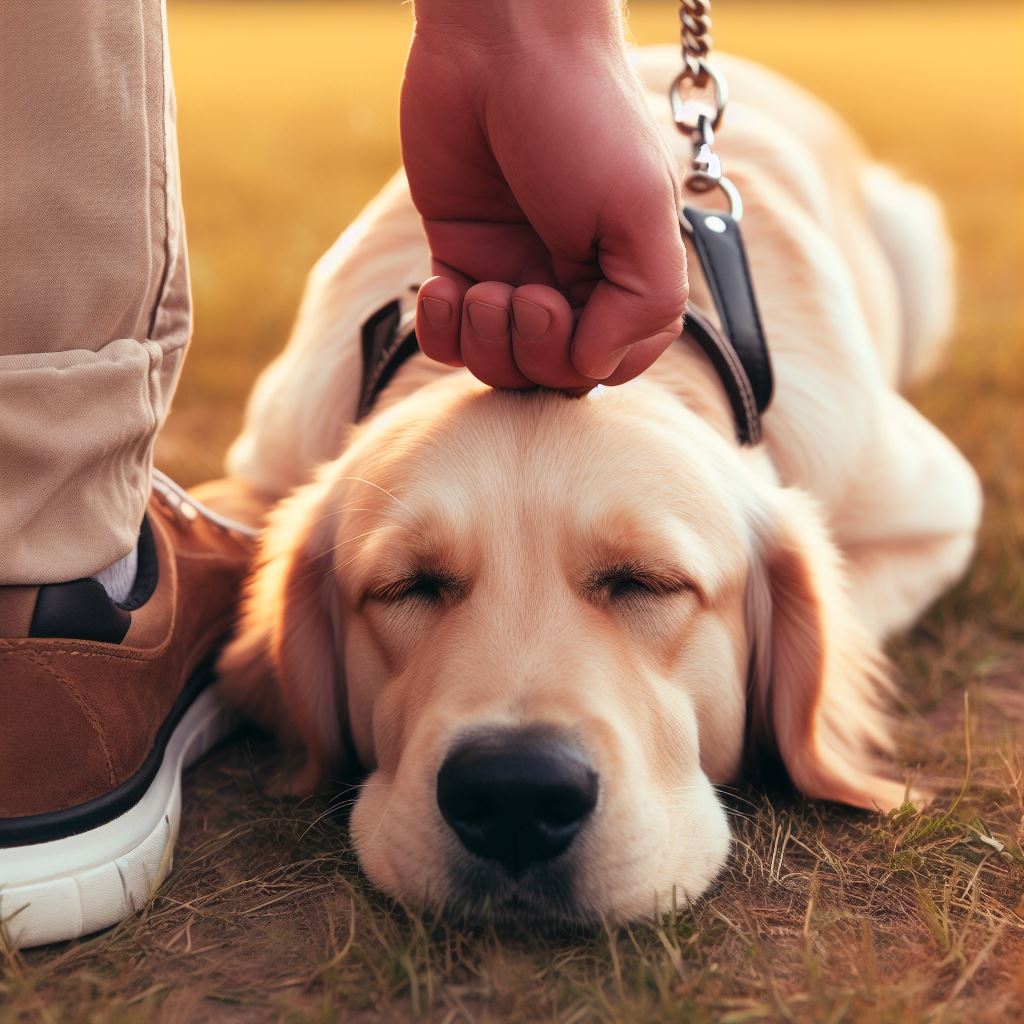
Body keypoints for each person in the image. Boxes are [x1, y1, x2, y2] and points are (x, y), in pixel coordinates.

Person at [0, 0, 687, 946]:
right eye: (416, 584)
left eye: (639, 583)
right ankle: (52, 574)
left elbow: (927, 516)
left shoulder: (833, 458)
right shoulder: (313, 468)